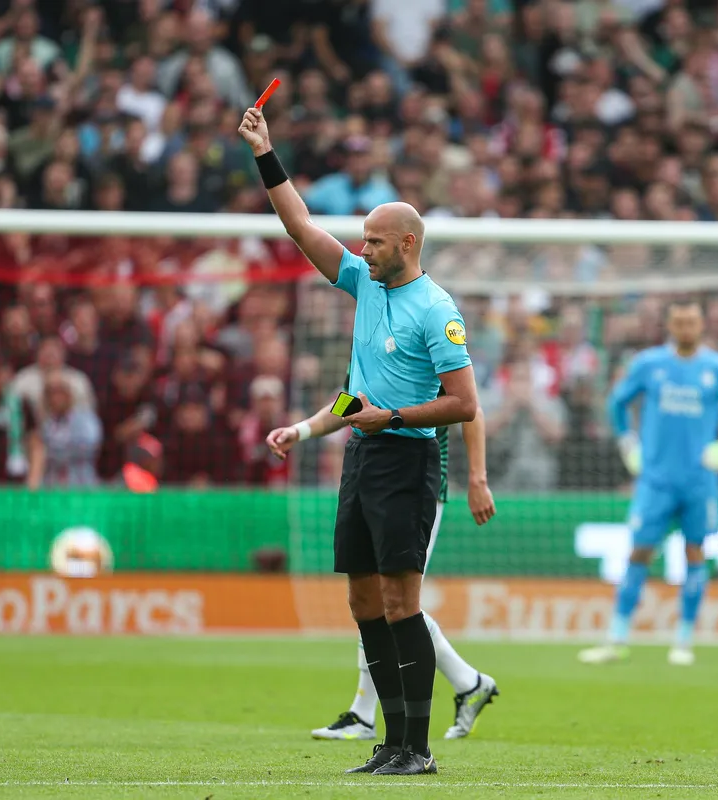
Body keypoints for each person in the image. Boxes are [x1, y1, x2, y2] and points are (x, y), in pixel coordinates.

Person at [239, 105, 479, 776]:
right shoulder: (362, 286)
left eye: (373, 240)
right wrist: (266, 153)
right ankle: (390, 744)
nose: (361, 249)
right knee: (362, 600)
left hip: (407, 457)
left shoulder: (437, 310)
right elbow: (298, 225)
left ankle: (417, 747)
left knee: (403, 602)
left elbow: (463, 403)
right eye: (362, 240)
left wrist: (394, 418)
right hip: (363, 454)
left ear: (405, 244)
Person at [266, 371, 497, 742]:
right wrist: (302, 429)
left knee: (398, 603)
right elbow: (348, 404)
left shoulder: (422, 329)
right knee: (374, 599)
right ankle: (466, 684)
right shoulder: (368, 337)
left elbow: (471, 409)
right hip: (370, 478)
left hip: (419, 485)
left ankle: (370, 714)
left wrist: (477, 479)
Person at [579, 303, 718, 666]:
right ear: (670, 324)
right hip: (655, 479)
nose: (685, 326)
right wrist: (627, 442)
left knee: (695, 553)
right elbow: (618, 403)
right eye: (679, 321)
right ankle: (616, 638)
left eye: (691, 320)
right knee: (639, 552)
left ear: (701, 325)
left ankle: (684, 640)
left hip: (698, 481)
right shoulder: (648, 365)